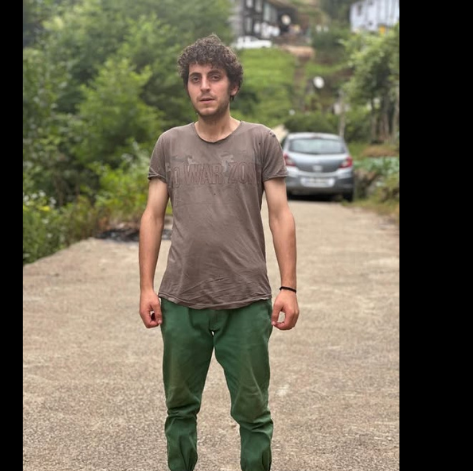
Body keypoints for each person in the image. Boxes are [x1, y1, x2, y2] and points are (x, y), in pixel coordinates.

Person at [138, 34, 299, 471]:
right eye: (195, 78)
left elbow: (280, 215)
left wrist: (288, 287)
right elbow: (152, 216)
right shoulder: (170, 143)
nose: (204, 86)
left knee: (253, 412)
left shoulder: (261, 141)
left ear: (233, 86)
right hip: (180, 299)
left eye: (215, 77)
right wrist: (147, 287)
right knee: (179, 410)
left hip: (245, 300)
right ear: (187, 87)